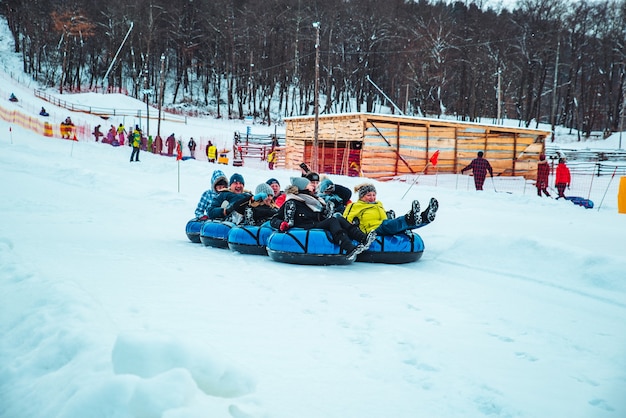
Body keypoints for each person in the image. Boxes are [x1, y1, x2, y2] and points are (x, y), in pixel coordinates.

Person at [269, 177, 376, 260]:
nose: (313, 186)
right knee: (332, 221)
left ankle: (363, 238)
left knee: (339, 219)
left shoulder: (313, 200)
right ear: (303, 187)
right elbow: (274, 219)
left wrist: (327, 211)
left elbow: (321, 215)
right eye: (310, 185)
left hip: (314, 224)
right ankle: (348, 248)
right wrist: (281, 224)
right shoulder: (293, 201)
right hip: (304, 226)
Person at [343, 183, 438, 237]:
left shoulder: (378, 204)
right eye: (368, 195)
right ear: (362, 197)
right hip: (372, 229)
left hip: (383, 224)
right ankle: (410, 217)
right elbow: (345, 220)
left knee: (401, 226)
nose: (372, 198)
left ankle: (425, 217)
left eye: (373, 195)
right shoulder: (355, 205)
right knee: (388, 224)